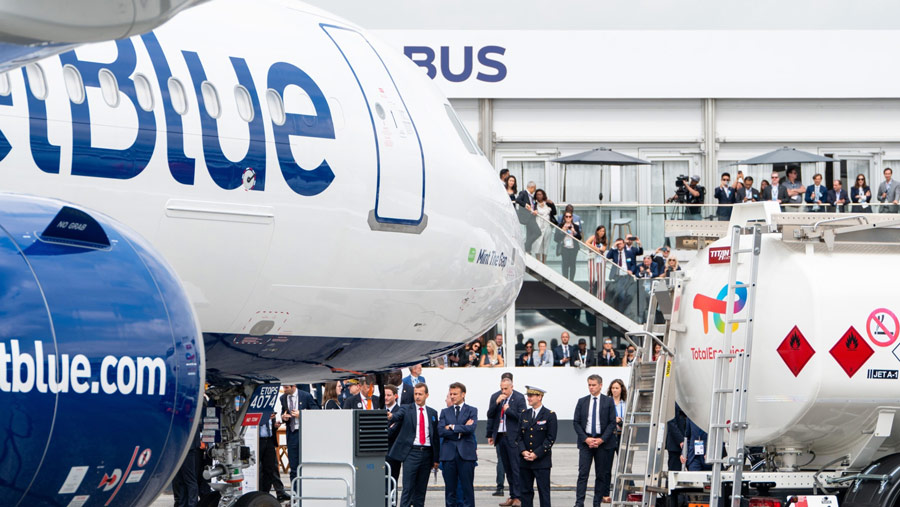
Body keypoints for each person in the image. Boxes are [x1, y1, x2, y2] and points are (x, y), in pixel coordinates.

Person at [387, 383, 440, 507]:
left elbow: (435, 437)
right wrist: (391, 416)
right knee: (408, 489)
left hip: (427, 453)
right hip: (411, 452)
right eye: (415, 394)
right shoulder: (406, 408)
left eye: (420, 394)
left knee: (421, 491)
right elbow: (397, 416)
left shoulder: (432, 413)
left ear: (426, 395)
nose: (417, 397)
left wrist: (436, 458)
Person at [573, 375, 617, 507]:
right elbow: (576, 422)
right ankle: (579, 502)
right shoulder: (582, 401)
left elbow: (612, 422)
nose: (591, 388)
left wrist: (602, 439)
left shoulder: (608, 401)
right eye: (589, 385)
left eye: (593, 385)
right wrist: (586, 439)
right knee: (583, 473)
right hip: (586, 442)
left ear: (600, 385)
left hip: (602, 443)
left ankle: (596, 502)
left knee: (601, 474)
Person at [488, 373, 527, 506]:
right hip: (500, 436)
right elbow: (490, 415)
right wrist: (496, 403)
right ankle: (512, 495)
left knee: (516, 468)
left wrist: (508, 410)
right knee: (507, 468)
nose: (503, 391)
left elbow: (522, 417)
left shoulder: (519, 398)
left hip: (513, 437)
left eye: (505, 389)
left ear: (511, 387)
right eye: (501, 388)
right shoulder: (496, 397)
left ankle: (518, 496)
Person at [516, 386, 557, 507]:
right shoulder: (524, 414)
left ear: (540, 397)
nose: (528, 398)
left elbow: (550, 439)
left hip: (541, 461)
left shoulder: (549, 415)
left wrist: (536, 454)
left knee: (544, 493)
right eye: (528, 395)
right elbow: (518, 437)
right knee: (525, 492)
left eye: (531, 396)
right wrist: (523, 451)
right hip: (525, 461)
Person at [439, 382, 478, 507]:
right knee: (450, 491)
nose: (452, 396)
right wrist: (461, 430)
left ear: (463, 394)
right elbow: (441, 431)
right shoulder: (445, 412)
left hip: (466, 455)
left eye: (455, 394)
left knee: (467, 489)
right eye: (451, 394)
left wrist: (451, 427)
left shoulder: (472, 410)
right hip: (449, 455)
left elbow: (471, 429)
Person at [281, 384, 320, 483]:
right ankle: (295, 493)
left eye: (286, 387)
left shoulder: (305, 396)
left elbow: (316, 412)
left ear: (293, 386)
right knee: (293, 465)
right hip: (292, 433)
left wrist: (302, 414)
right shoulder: (283, 398)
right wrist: (284, 418)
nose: (284, 390)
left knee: (305, 464)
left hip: (304, 433)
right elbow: (284, 412)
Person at [258, 411, 290, 502]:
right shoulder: (257, 407)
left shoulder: (270, 408)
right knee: (260, 469)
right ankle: (261, 494)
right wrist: (266, 417)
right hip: (258, 440)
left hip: (269, 440)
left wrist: (274, 425)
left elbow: (270, 426)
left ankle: (266, 494)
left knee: (270, 468)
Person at [172, 422, 202, 507]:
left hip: (188, 446)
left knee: (189, 479)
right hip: (180, 446)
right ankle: (182, 503)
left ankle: (192, 504)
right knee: (179, 479)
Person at [383, 385, 403, 488]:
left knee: (391, 485)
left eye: (389, 395)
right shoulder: (380, 409)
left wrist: (383, 431)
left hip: (393, 454)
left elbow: (391, 433)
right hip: (380, 454)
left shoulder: (400, 412)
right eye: (384, 395)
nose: (386, 397)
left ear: (395, 396)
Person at [556, 211, 583, 280]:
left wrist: (574, 232)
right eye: (566, 216)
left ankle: (571, 280)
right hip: (564, 247)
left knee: (572, 264)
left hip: (573, 248)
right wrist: (562, 231)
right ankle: (565, 280)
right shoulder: (560, 225)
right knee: (565, 264)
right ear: (564, 218)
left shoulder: (575, 226)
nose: (568, 218)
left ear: (572, 218)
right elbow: (556, 238)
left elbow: (579, 238)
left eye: (570, 216)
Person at [532, 189, 557, 263]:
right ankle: (538, 261)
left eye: (540, 194)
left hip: (547, 226)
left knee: (545, 244)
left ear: (543, 195)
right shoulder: (534, 204)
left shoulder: (547, 203)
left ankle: (544, 262)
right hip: (538, 227)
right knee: (537, 243)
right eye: (537, 194)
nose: (539, 196)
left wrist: (552, 204)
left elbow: (554, 212)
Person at [517, 181, 542, 252]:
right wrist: (525, 205)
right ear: (531, 188)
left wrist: (536, 210)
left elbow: (534, 205)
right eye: (534, 189)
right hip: (527, 217)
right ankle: (525, 245)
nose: (534, 191)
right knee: (537, 232)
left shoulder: (532, 196)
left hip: (532, 216)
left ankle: (528, 250)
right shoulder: (523, 193)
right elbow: (518, 200)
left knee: (530, 234)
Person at [607, 379, 627, 452]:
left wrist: (620, 420)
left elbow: (630, 418)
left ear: (621, 389)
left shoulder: (626, 403)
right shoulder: (607, 402)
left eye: (617, 388)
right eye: (613, 388)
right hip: (610, 435)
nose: (614, 390)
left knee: (622, 460)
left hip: (622, 434)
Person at [666, 404, 687, 472]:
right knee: (674, 471)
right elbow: (672, 424)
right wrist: (680, 440)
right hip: (675, 445)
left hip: (688, 442)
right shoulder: (673, 404)